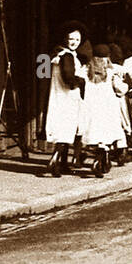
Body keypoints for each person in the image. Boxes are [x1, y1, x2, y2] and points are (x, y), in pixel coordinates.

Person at [43, 22, 87, 177]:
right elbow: (69, 78)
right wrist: (80, 81)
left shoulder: (57, 55)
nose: (74, 42)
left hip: (58, 96)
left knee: (64, 130)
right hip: (68, 97)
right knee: (66, 130)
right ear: (65, 39)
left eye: (77, 39)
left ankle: (63, 164)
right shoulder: (66, 56)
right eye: (71, 39)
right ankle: (54, 160)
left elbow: (44, 74)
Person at [80, 45, 124, 176]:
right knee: (105, 135)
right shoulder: (111, 72)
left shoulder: (86, 70)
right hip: (107, 107)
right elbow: (120, 88)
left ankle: (99, 159)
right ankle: (99, 161)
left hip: (90, 107)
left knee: (94, 133)